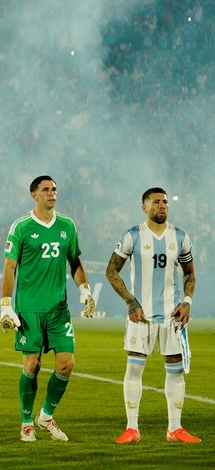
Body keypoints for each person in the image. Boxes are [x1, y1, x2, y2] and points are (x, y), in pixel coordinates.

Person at [0, 176, 95, 443]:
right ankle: (26, 422)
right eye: (45, 190)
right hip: (29, 309)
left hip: (58, 309)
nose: (52, 193)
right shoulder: (21, 226)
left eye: (54, 189)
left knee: (67, 364)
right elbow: (9, 267)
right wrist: (5, 305)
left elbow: (74, 261)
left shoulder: (67, 225)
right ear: (34, 195)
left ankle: (46, 416)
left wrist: (84, 289)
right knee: (32, 364)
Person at [105, 188, 200, 444]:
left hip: (173, 316)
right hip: (141, 315)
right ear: (144, 207)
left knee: (175, 371)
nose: (162, 205)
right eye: (156, 202)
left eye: (165, 202)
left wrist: (187, 301)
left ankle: (175, 429)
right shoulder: (132, 235)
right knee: (134, 369)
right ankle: (132, 428)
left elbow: (190, 273)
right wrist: (130, 301)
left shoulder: (180, 236)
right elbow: (111, 271)